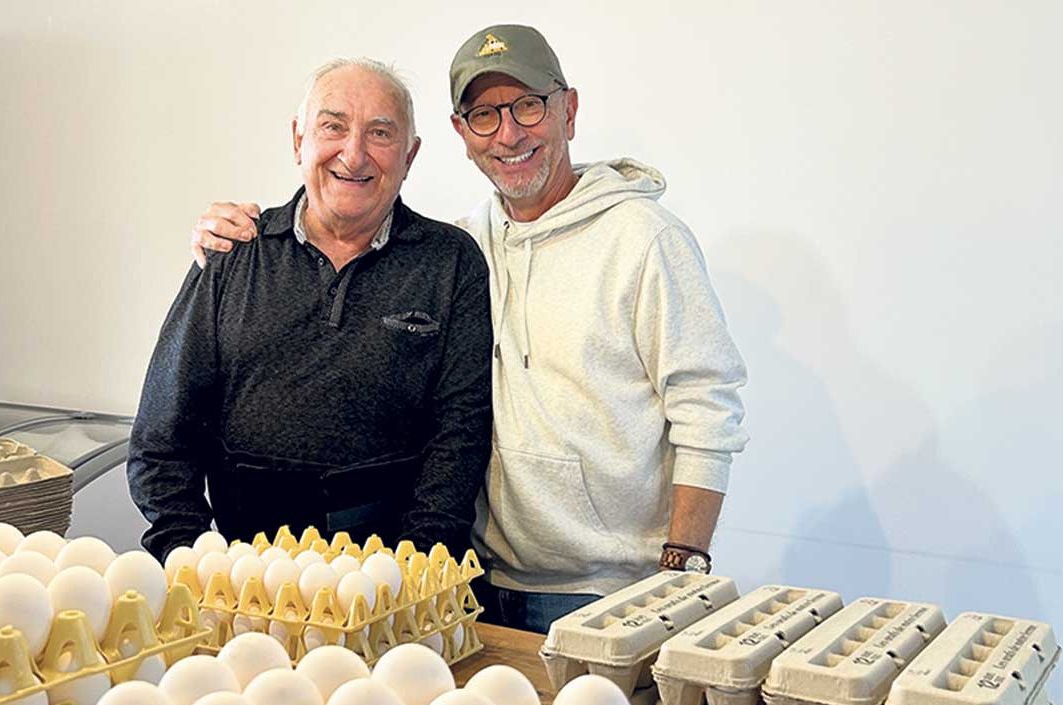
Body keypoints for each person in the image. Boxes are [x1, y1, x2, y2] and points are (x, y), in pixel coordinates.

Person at [189, 26, 748, 632]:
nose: (508, 134)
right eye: (484, 115)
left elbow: (707, 411)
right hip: (477, 578)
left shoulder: (645, 240)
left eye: (528, 106)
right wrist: (224, 231)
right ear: (460, 135)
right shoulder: (460, 249)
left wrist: (682, 568)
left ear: (569, 111)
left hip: (611, 593)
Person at [129, 58, 493, 562]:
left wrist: (415, 574)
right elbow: (161, 438)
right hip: (238, 574)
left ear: (409, 157)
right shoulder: (235, 253)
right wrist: (191, 557)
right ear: (298, 139)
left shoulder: (450, 263)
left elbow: (460, 438)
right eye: (333, 126)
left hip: (393, 580)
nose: (354, 153)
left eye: (380, 133)